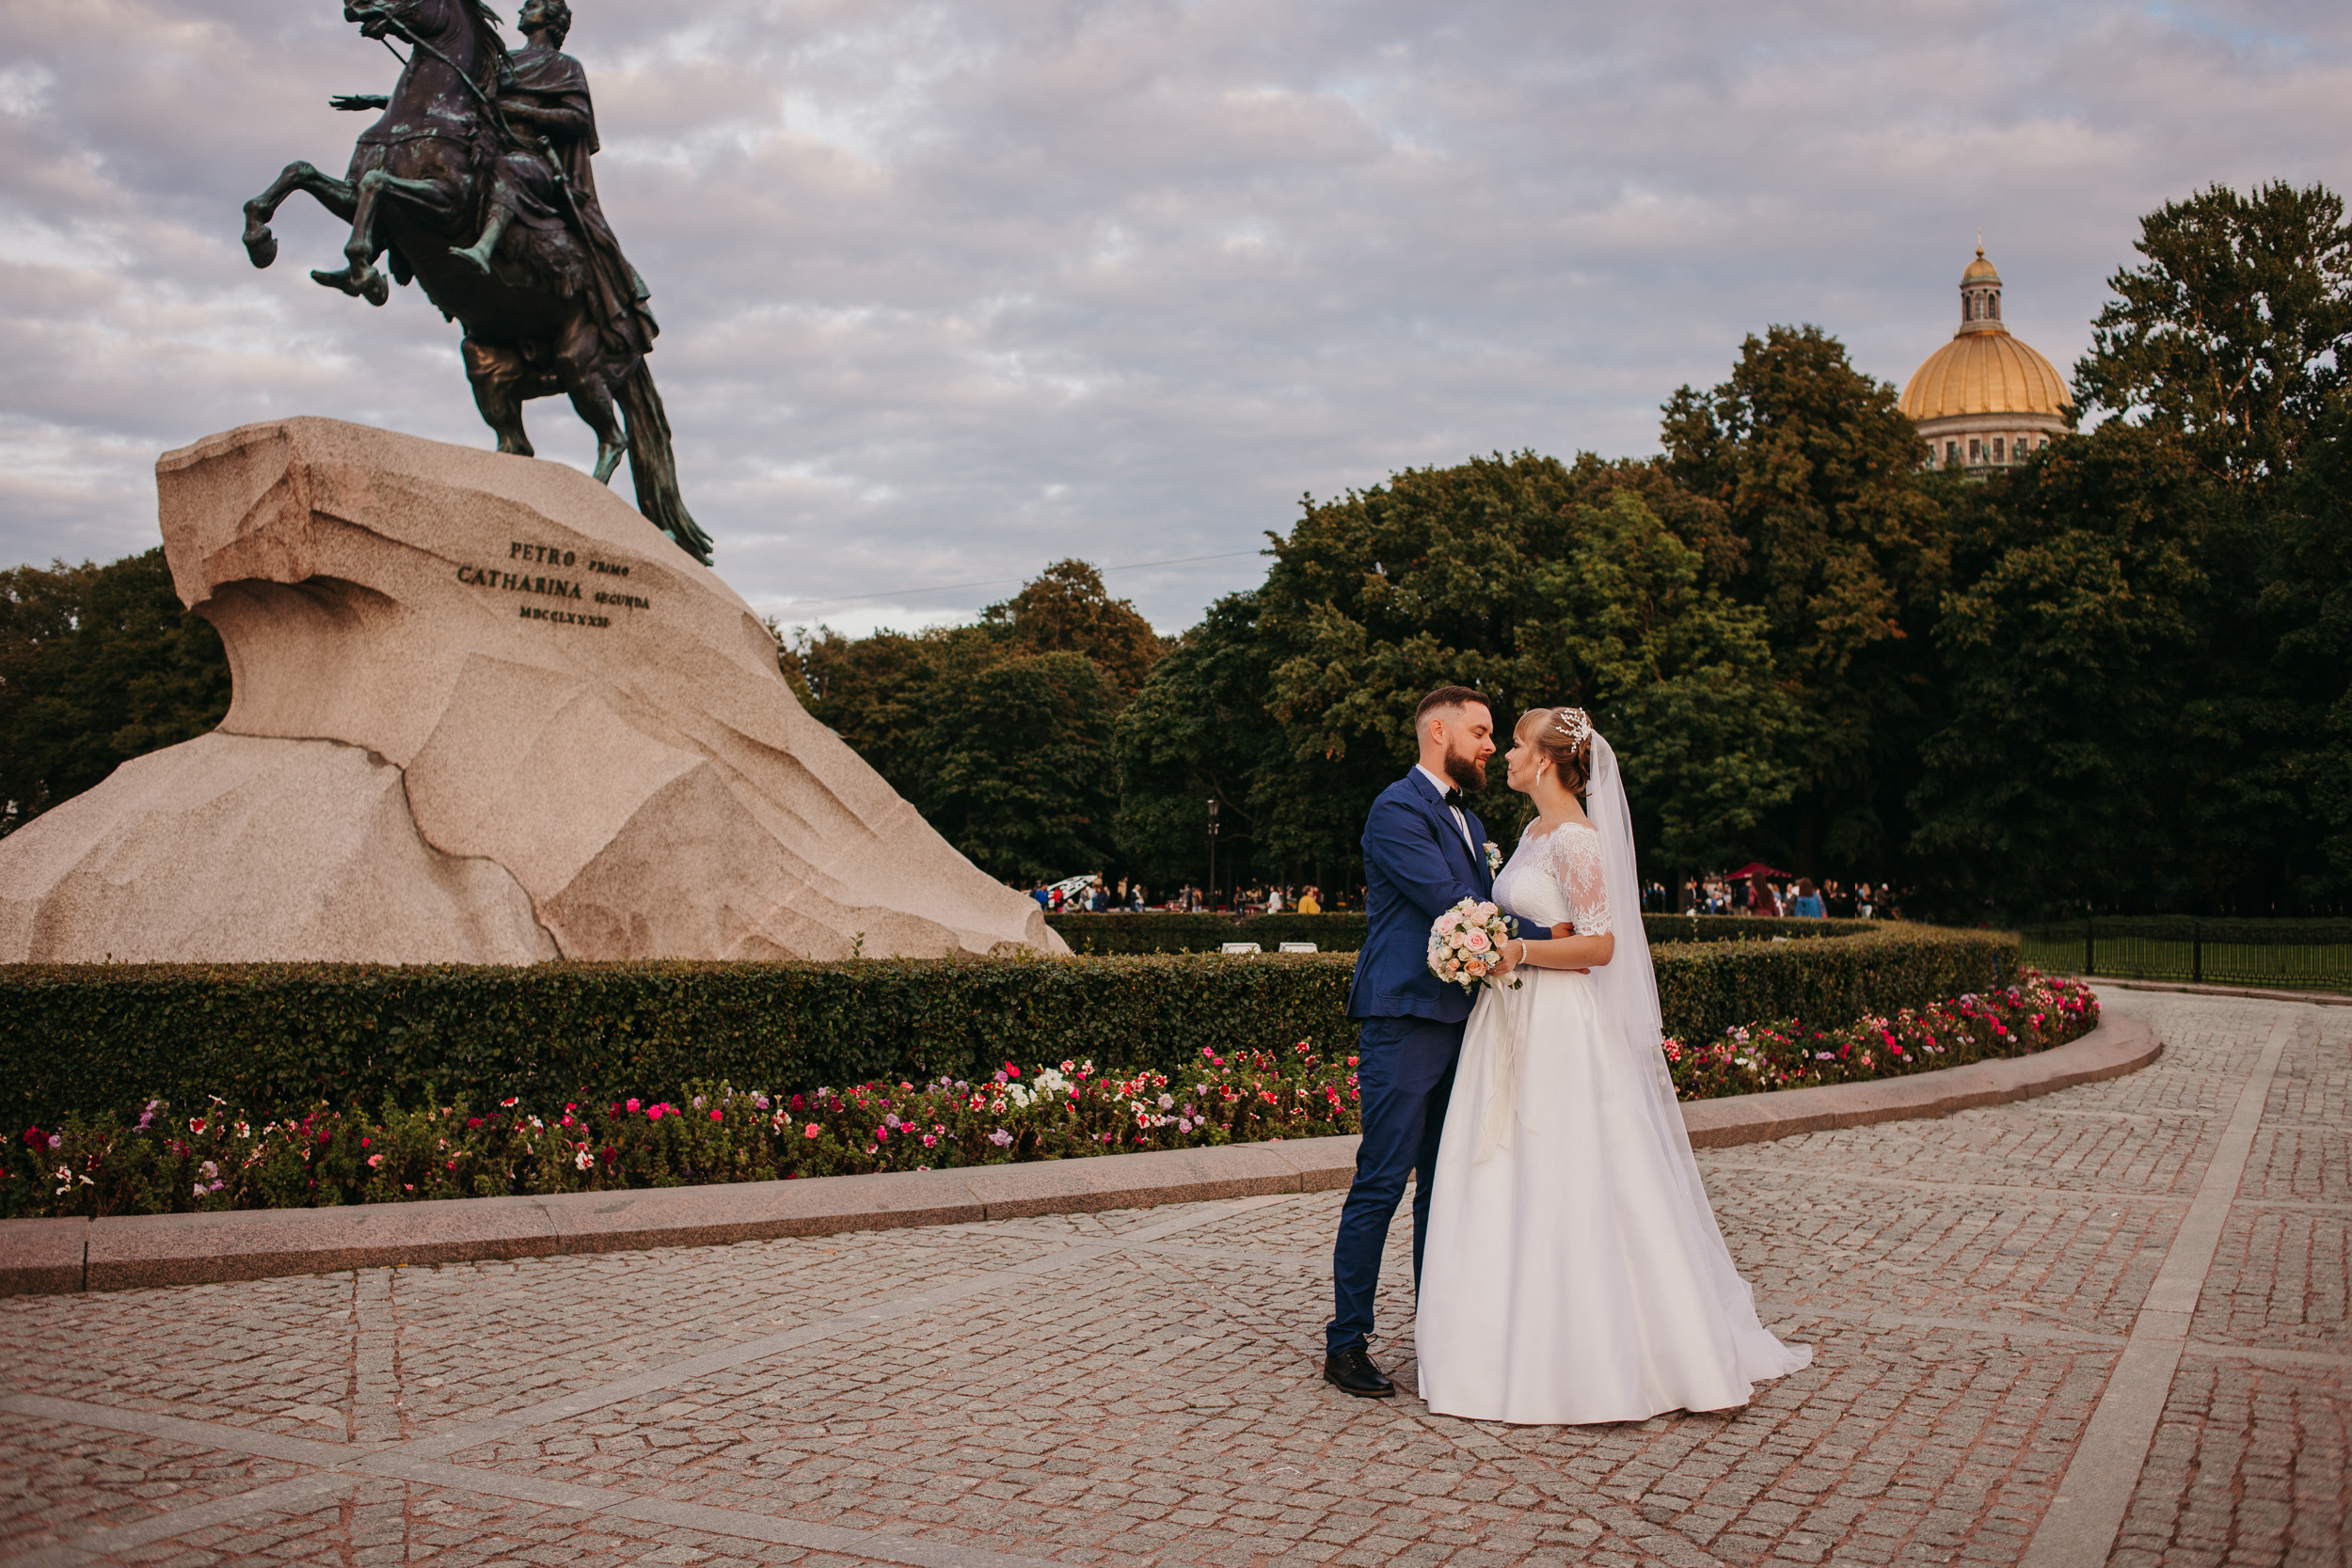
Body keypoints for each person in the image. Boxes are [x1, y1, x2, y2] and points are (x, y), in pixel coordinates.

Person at [1414, 707, 1812, 1424]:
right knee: (1504, 1172)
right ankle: (1495, 1345)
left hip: (1560, 1023)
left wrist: (1518, 952)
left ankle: (1596, 1354)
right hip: (1510, 1018)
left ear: (1545, 760)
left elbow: (1600, 947)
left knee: (1567, 1172)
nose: (1504, 752)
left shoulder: (1578, 839)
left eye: (1515, 743)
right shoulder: (1533, 835)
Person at [1322, 687, 1506, 1398]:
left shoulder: (1471, 816)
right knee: (1382, 1180)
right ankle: (1346, 1344)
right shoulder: (1396, 807)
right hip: (1403, 1020)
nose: (1490, 744)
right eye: (1481, 730)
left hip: (1464, 1024)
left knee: (1445, 1187)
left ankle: (1438, 1338)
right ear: (1438, 729)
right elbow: (1456, 905)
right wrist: (1557, 937)